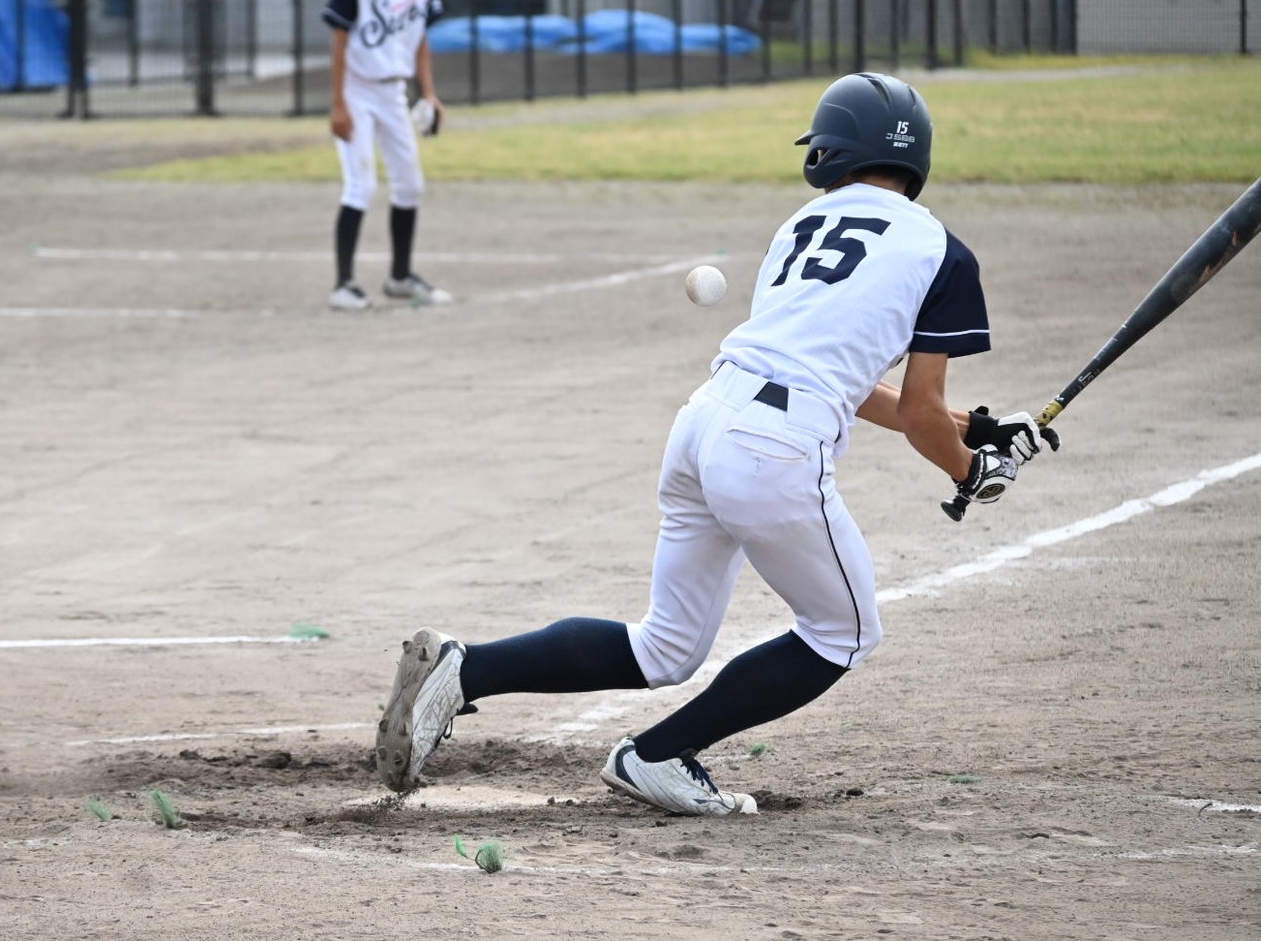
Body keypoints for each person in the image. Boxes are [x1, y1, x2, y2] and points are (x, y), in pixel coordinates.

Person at [373, 72, 1060, 814]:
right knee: (846, 631)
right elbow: (918, 409)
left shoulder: (801, 226)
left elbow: (857, 388)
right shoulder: (943, 251)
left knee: (664, 646)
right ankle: (659, 756)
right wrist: (970, 472)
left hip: (705, 422)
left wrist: (976, 433)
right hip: (772, 454)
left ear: (833, 151)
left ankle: (464, 670)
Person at [321, 0, 449, 312]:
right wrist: (338, 103)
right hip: (358, 91)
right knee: (361, 184)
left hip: (394, 93)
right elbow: (339, 43)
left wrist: (427, 93)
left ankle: (399, 276)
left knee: (410, 183)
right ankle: (343, 285)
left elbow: (420, 42)